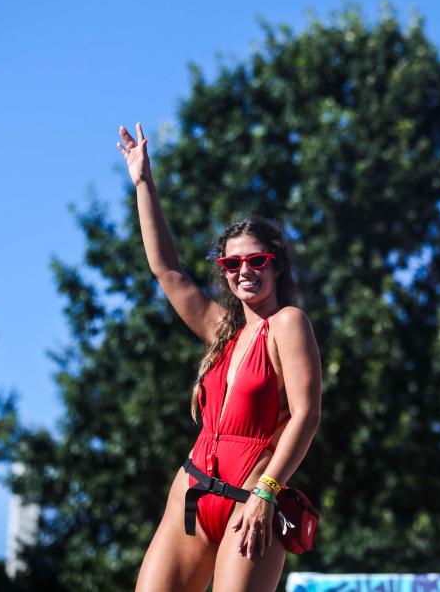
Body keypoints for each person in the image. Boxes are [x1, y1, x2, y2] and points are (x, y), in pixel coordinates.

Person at [117, 123, 322, 592]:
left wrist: (268, 492)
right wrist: (144, 183)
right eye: (232, 264)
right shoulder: (221, 331)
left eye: (256, 261)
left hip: (253, 499)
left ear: (277, 264)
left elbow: (306, 415)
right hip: (191, 493)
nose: (244, 271)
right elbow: (166, 269)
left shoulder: (289, 323)